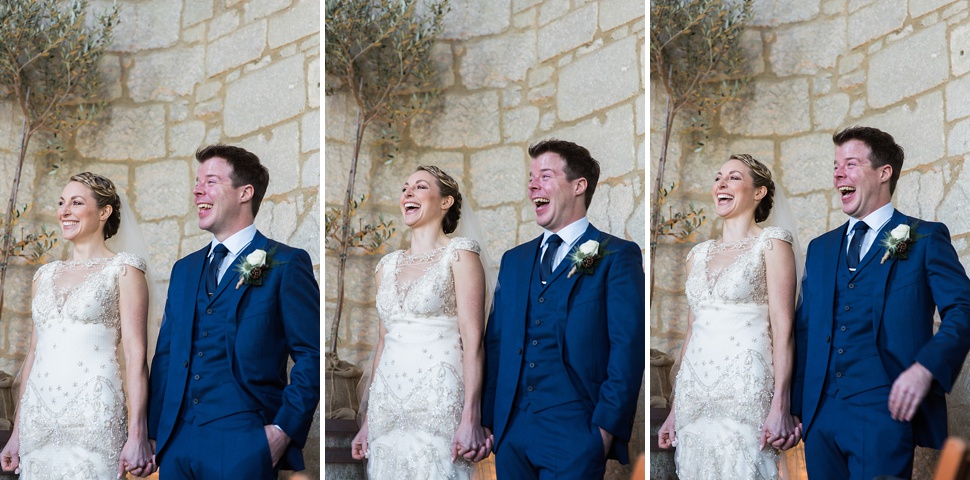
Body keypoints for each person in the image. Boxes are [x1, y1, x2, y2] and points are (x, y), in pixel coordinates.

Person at [791, 126, 970, 479]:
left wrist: (925, 369)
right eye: (835, 166)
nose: (838, 173)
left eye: (851, 163)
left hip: (884, 413)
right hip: (819, 416)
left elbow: (963, 309)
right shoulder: (820, 249)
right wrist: (795, 407)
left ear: (884, 172)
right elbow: (806, 329)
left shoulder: (923, 237)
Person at [146, 144, 320, 479]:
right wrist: (155, 434)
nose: (198, 190)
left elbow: (310, 354)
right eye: (197, 182)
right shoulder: (184, 269)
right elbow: (166, 355)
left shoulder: (283, 262)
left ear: (245, 193)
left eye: (210, 181)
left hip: (245, 439)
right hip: (177, 443)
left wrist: (282, 430)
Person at [482, 139, 645, 479]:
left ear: (578, 186)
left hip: (577, 430)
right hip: (511, 433)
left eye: (544, 175)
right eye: (531, 177)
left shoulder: (615, 255)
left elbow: (627, 348)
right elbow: (496, 343)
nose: (532, 185)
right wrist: (490, 421)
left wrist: (602, 432)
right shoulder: (515, 260)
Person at [0, 172, 154, 478]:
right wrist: (17, 433)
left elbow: (137, 358)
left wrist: (138, 433)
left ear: (103, 212)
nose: (64, 211)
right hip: (38, 419)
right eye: (61, 202)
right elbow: (33, 353)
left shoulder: (124, 270)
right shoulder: (44, 275)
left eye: (76, 202)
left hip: (93, 418)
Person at [657, 154, 801, 479]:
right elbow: (692, 333)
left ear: (759, 192)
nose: (721, 183)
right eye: (718, 177)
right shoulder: (697, 255)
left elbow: (784, 328)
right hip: (694, 392)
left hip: (745, 390)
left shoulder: (772, 244)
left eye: (734, 178)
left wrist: (781, 404)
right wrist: (675, 409)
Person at [350, 165, 491, 478]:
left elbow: (473, 341)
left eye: (420, 187)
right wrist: (368, 422)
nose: (407, 193)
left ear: (446, 202)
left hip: (437, 403)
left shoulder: (460, 255)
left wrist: (471, 417)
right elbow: (384, 342)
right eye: (404, 188)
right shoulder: (385, 266)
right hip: (387, 404)